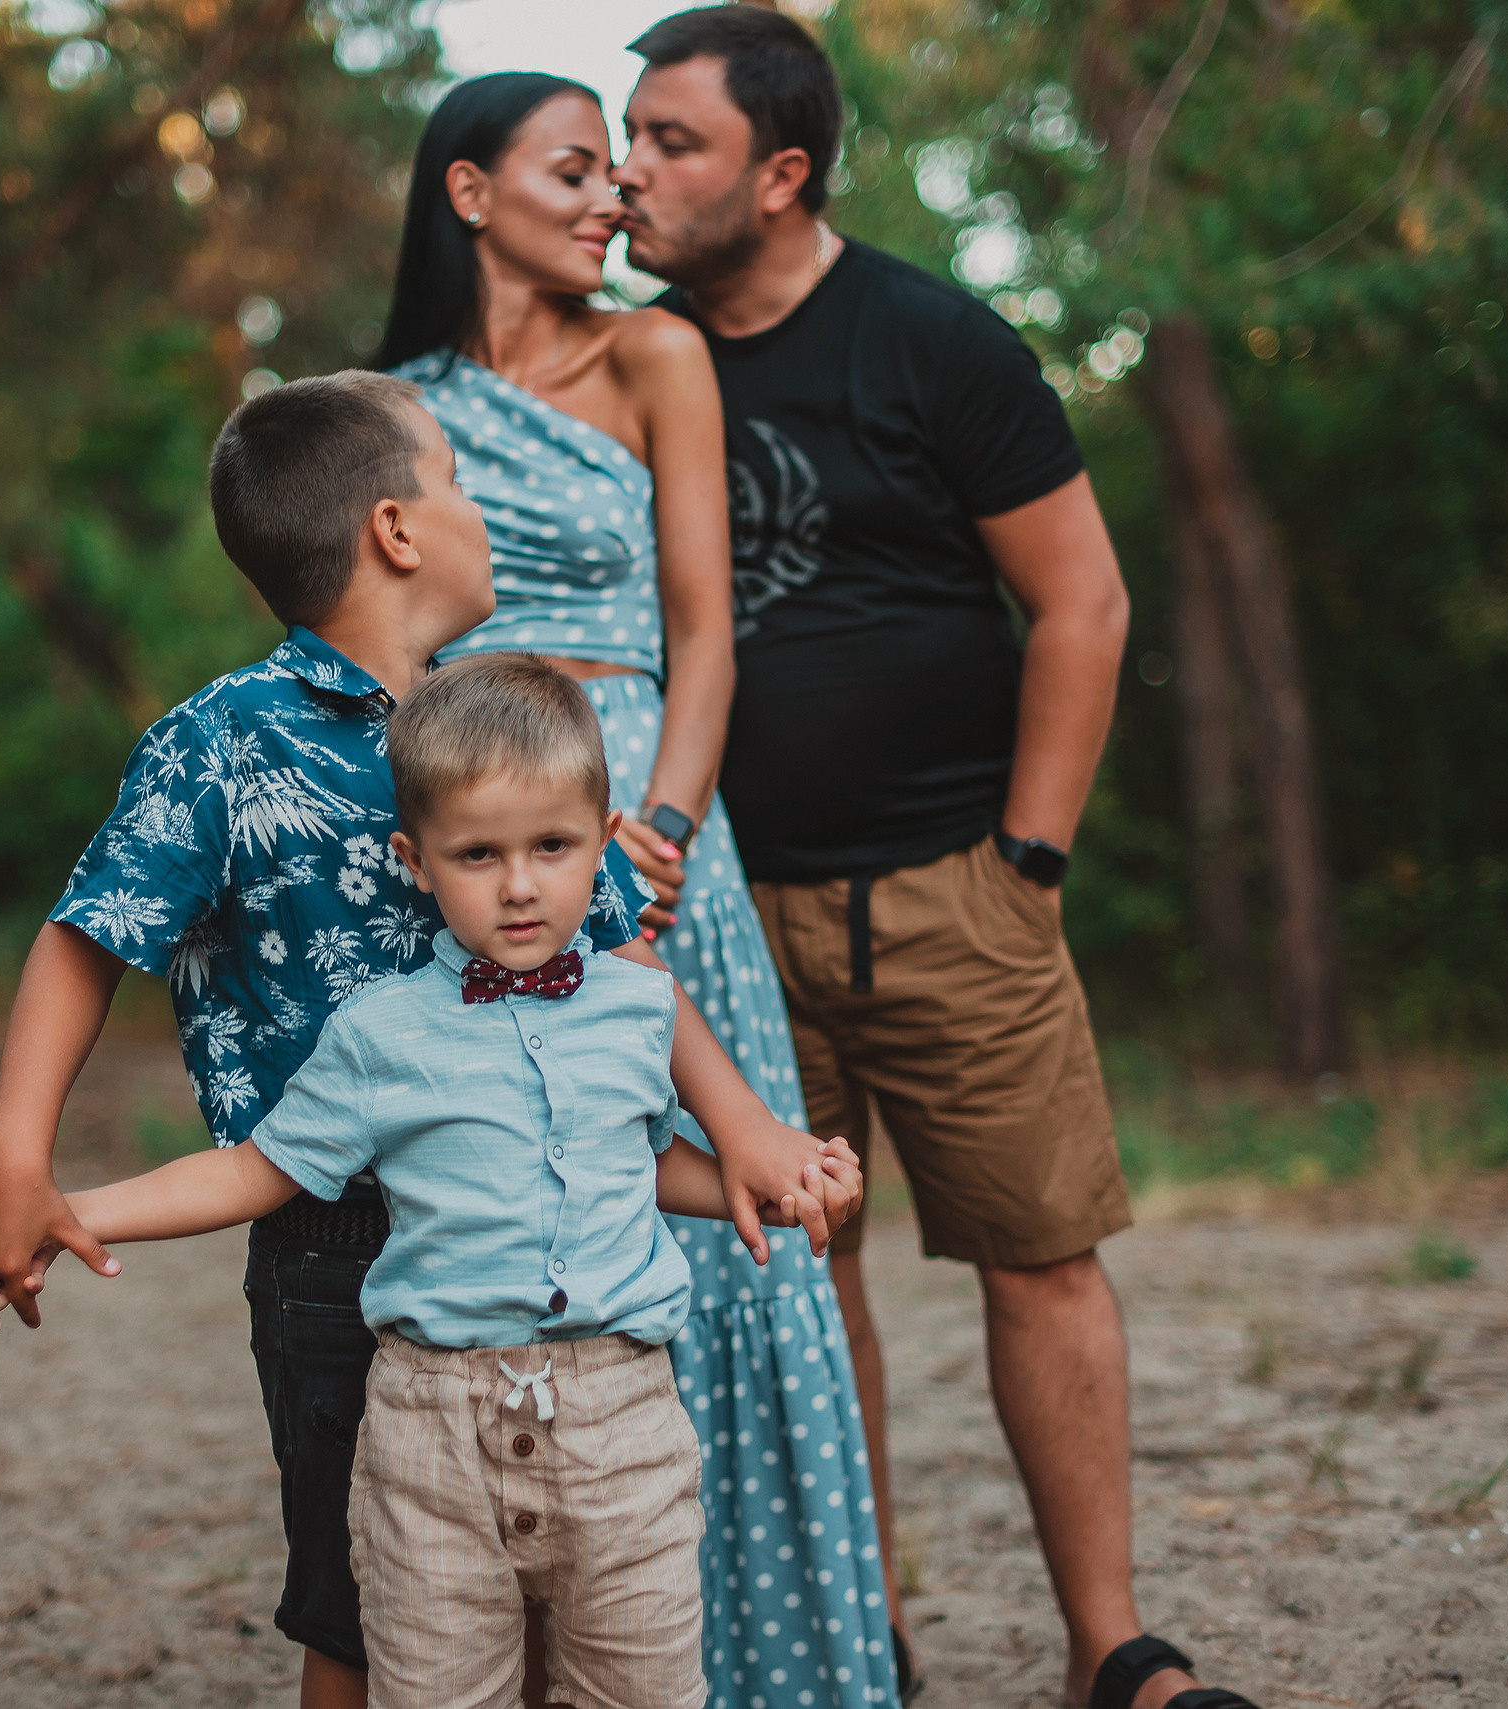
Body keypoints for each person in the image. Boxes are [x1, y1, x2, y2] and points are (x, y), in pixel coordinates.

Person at [0, 370, 857, 1709]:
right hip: (337, 1246)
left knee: (571, 1603)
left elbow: (624, 972)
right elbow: (90, 934)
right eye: (464, 484)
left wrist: (751, 1130)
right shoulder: (224, 744)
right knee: (367, 1619)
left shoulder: (507, 728)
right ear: (397, 529)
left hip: (543, 1219)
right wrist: (18, 1158)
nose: (484, 512)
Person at [606, 13, 1265, 1709]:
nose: (631, 168)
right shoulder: (629, 364)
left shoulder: (931, 341)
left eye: (672, 140)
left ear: (782, 170)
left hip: (953, 892)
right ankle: (857, 1640)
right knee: (789, 1273)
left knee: (1039, 1250)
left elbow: (1083, 602)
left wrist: (1027, 855)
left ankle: (1112, 1649)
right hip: (727, 922)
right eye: (625, 134)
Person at [373, 72, 903, 1709]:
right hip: (474, 826)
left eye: (623, 169)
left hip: (653, 822)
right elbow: (384, 644)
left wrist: (656, 833)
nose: (613, 198)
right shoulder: (395, 403)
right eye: (574, 168)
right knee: (512, 1200)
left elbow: (706, 628)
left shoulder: (655, 356)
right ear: (469, 193)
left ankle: (763, 1661)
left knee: (722, 1219)